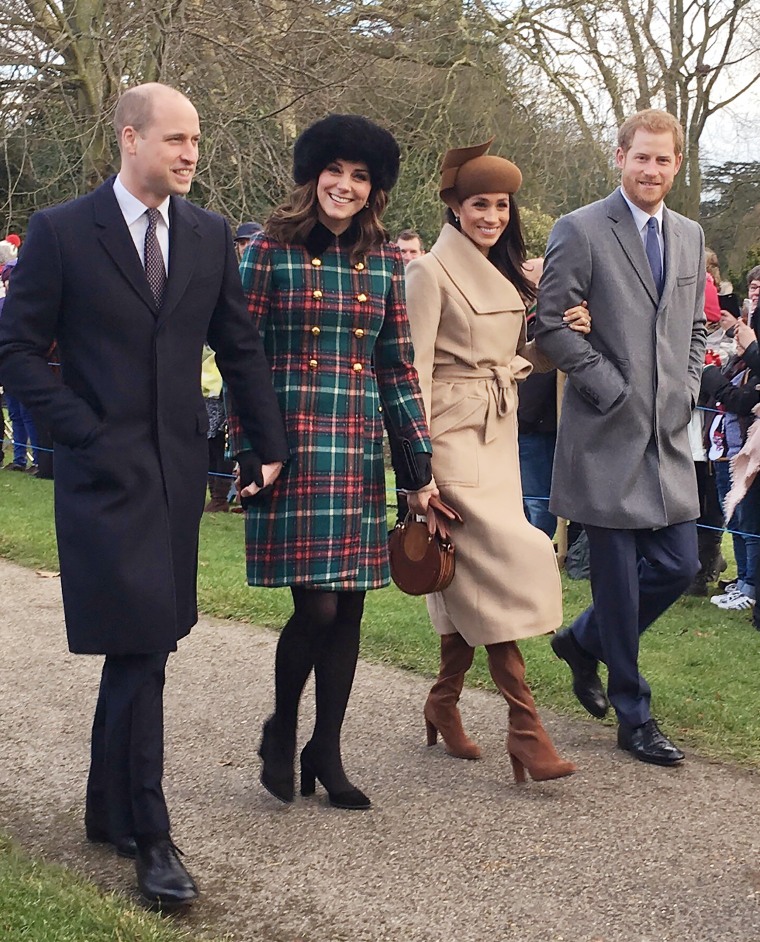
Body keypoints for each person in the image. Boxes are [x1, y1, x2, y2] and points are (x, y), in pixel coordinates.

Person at [0, 83, 288, 906]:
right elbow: (16, 351)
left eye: (196, 138)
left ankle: (106, 805)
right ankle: (152, 836)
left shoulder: (203, 233)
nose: (191, 152)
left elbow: (238, 344)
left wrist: (266, 445)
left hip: (176, 479)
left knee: (149, 644)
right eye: (175, 138)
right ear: (130, 139)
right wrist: (81, 431)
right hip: (101, 477)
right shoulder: (60, 231)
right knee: (139, 642)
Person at [225, 114, 434, 810]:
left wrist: (417, 473)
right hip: (289, 448)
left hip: (353, 446)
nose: (344, 185)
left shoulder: (385, 263)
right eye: (334, 171)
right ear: (312, 175)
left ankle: (328, 748)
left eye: (360, 176)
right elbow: (239, 356)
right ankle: (282, 728)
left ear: (374, 190)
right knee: (313, 604)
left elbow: (397, 369)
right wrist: (250, 448)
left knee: (349, 607)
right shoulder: (265, 251)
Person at [404, 139, 590, 783]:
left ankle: (443, 701)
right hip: (452, 441)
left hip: (498, 435)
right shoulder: (428, 272)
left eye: (502, 205)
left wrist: (563, 333)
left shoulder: (502, 273)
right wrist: (416, 475)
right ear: (455, 207)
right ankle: (525, 729)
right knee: (514, 560)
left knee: (467, 576)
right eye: (480, 203)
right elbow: (414, 374)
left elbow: (510, 360)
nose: (492, 215)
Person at [535, 109, 706, 767]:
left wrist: (686, 389)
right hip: (604, 434)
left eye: (665, 161)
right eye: (643, 158)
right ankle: (635, 715)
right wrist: (609, 386)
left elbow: (692, 327)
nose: (653, 171)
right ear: (620, 156)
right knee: (619, 585)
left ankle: (582, 642)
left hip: (666, 438)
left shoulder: (689, 235)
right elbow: (552, 325)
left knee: (679, 565)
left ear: (676, 164)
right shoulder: (579, 229)